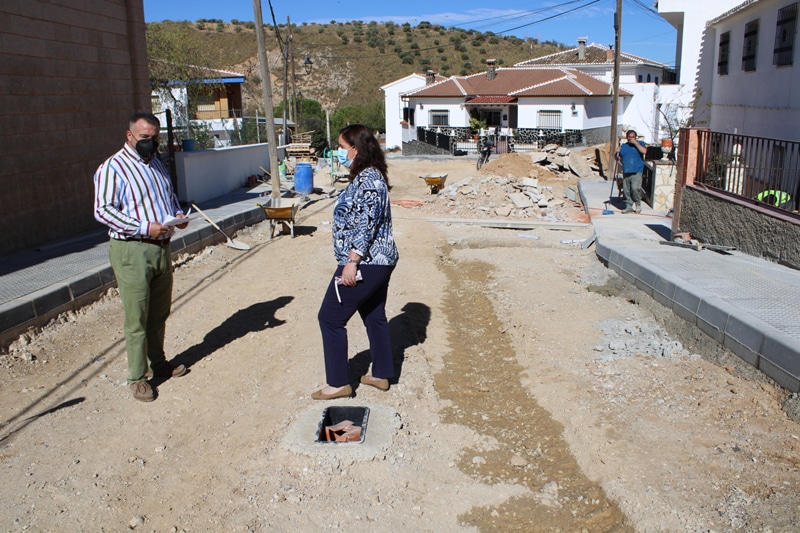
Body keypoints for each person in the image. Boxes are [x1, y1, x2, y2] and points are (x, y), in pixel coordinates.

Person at [93, 111, 188, 402]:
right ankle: (137, 377)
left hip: (161, 247)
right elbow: (103, 210)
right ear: (130, 135)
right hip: (132, 249)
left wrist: (177, 216)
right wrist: (145, 227)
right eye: (145, 137)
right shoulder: (113, 168)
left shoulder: (156, 164)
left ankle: (157, 362)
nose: (150, 143)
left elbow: (166, 198)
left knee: (159, 311)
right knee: (137, 316)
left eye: (154, 138)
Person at [313, 124, 399, 400]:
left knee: (330, 318)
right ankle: (381, 374)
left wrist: (352, 262)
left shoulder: (368, 179)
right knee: (374, 315)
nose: (339, 152)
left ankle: (338, 383)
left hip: (366, 262)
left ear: (356, 149)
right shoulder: (368, 176)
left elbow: (366, 224)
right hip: (376, 261)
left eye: (341, 147)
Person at [615, 129, 647, 213]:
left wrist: (635, 143)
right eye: (629, 137)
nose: (631, 139)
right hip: (626, 171)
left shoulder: (640, 144)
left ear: (635, 137)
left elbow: (644, 151)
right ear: (627, 137)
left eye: (633, 137)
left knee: (635, 188)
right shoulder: (624, 146)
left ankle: (638, 204)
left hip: (637, 170)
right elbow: (618, 158)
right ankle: (628, 206)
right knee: (626, 190)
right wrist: (617, 153)